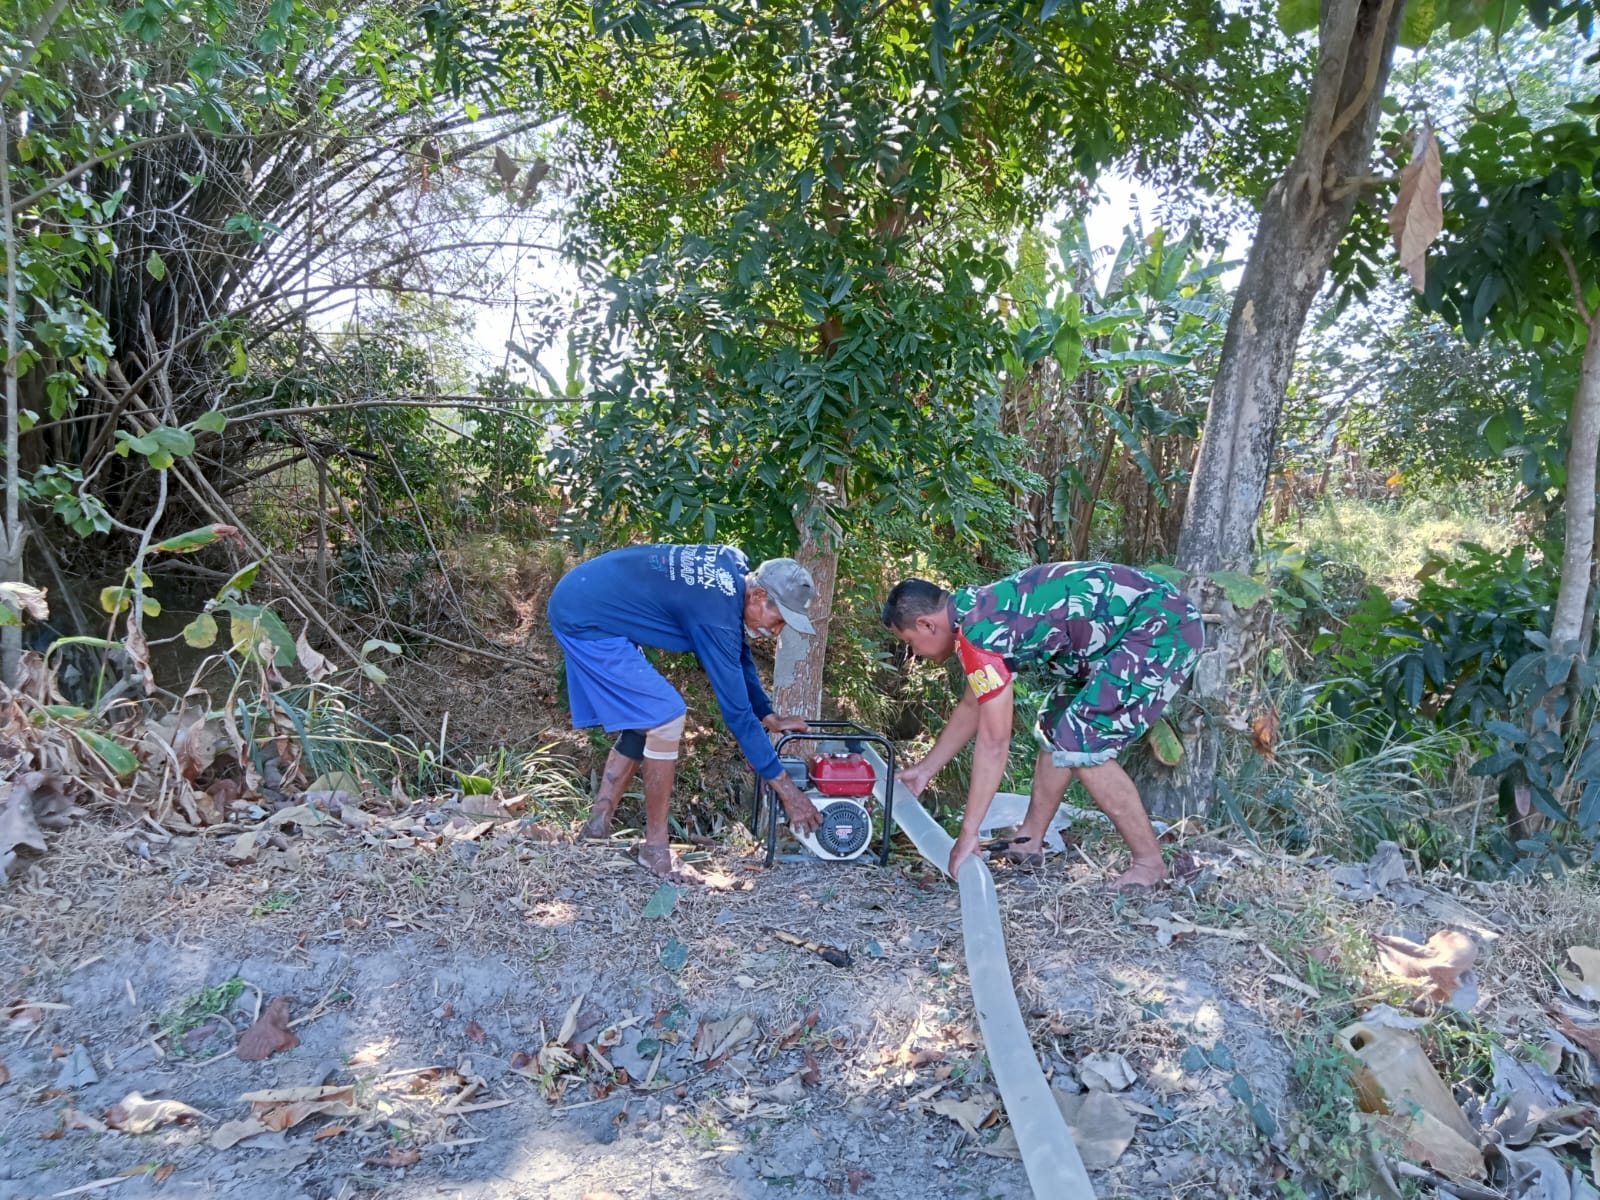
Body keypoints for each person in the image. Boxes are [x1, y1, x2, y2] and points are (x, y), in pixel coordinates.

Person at [880, 562, 1203, 889]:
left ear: (926, 625)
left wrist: (968, 835)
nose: (914, 653)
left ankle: (1150, 863)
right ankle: (1029, 843)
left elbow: (994, 744)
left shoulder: (980, 633)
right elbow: (972, 706)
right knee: (1056, 724)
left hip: (1160, 628)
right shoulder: (975, 615)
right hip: (1128, 635)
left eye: (910, 642)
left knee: (1079, 740)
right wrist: (924, 771)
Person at [547, 544, 824, 883]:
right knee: (666, 714)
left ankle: (597, 827)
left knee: (648, 718)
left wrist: (768, 714)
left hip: (585, 596)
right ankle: (656, 849)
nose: (776, 630)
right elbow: (737, 715)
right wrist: (788, 792)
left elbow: (738, 654)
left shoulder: (733, 568)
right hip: (583, 616)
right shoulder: (714, 613)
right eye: (778, 618)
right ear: (758, 595)